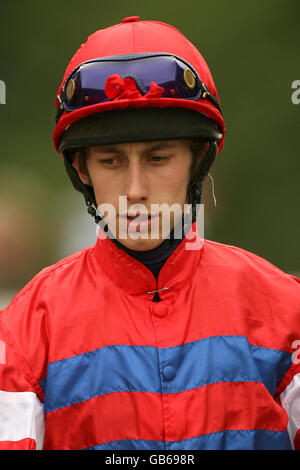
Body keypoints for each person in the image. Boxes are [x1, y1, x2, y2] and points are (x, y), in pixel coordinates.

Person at [0, 16, 299, 451]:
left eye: (158, 159)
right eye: (111, 161)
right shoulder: (23, 333)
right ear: (81, 169)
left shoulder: (288, 314)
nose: (135, 191)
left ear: (199, 160)